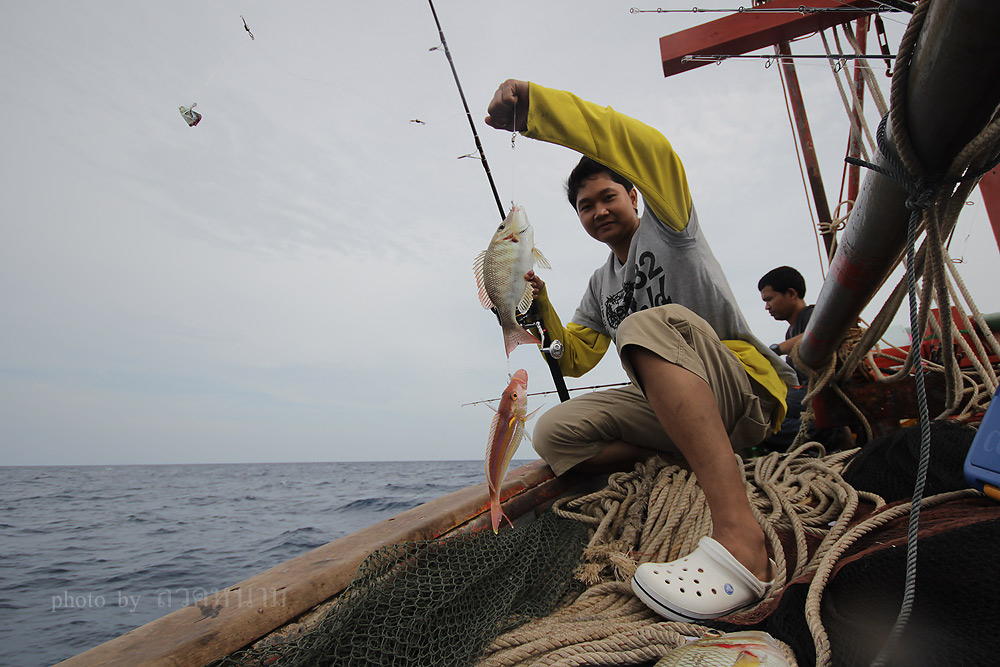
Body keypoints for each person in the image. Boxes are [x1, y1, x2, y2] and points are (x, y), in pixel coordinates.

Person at [485, 80, 797, 623]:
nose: (598, 210)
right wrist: (538, 310)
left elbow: (646, 148)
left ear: (634, 196)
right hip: (679, 407)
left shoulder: (673, 228)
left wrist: (538, 109)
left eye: (608, 196)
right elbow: (574, 356)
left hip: (744, 393)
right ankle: (687, 448)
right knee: (553, 432)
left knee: (646, 326)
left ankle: (741, 539)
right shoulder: (600, 284)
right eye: (585, 207)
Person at [758, 266, 851, 452]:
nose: (767, 307)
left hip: (832, 392)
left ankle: (831, 435)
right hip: (810, 396)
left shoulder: (815, 316)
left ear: (791, 293)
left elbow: (821, 332)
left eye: (769, 299)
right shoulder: (791, 331)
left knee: (759, 413)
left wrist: (777, 349)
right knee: (757, 418)